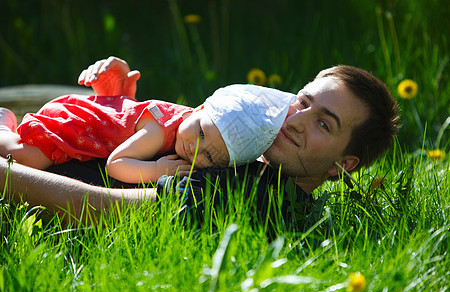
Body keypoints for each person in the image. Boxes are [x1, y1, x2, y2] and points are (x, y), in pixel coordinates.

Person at [0, 57, 400, 230]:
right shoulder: (245, 146)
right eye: (304, 101)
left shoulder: (259, 193)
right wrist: (119, 113)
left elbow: (106, 212)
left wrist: (5, 177)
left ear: (342, 165)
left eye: (324, 125)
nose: (295, 120)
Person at [0, 63, 295, 184]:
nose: (194, 148)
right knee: (22, 157)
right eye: (202, 133)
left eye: (208, 156)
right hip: (78, 122)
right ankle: (4, 121)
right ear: (201, 107)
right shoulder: (160, 129)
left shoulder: (198, 126)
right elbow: (116, 163)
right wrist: (156, 171)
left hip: (106, 121)